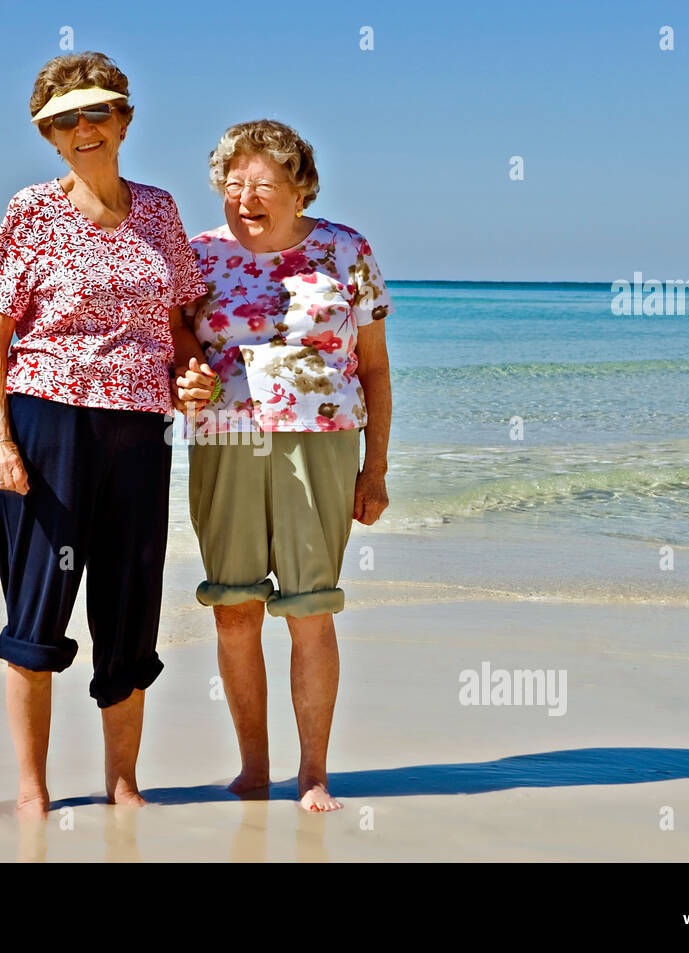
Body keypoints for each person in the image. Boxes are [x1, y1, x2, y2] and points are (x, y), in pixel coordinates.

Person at [0, 51, 212, 819]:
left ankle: (124, 782)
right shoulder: (32, 210)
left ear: (125, 119)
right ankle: (34, 789)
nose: (83, 129)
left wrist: (194, 375)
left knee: (129, 605)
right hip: (48, 421)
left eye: (97, 112)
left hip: (140, 429)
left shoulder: (161, 211)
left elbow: (178, 326)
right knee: (37, 610)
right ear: (49, 137)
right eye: (65, 120)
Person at [181, 119, 394, 812]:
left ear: (299, 189)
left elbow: (376, 366)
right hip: (225, 439)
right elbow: (177, 343)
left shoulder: (343, 248)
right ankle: (253, 766)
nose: (246, 196)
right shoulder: (197, 256)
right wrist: (184, 374)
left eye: (264, 183)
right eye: (233, 183)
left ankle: (312, 773)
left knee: (309, 607)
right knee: (234, 607)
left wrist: (376, 468)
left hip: (322, 439)